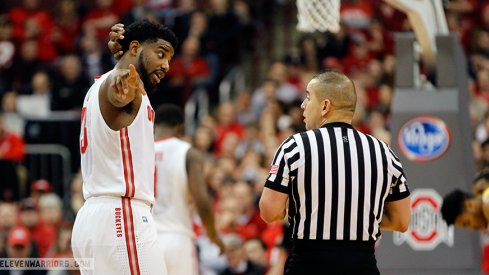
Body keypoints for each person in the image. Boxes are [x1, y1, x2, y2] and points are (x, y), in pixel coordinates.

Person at [259, 71, 411, 275]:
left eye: (308, 97)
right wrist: (358, 218)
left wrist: (308, 211)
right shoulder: (384, 153)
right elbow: (401, 222)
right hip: (362, 266)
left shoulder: (295, 146)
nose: (303, 105)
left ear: (325, 106)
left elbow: (269, 211)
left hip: (309, 265)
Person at [71, 19, 178, 275]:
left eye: (169, 59)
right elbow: (118, 87)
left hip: (95, 219)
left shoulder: (98, 85)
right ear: (134, 47)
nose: (166, 65)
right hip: (122, 217)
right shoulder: (120, 83)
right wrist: (122, 76)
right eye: (161, 54)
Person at [152, 104, 224, 275]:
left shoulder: (140, 151)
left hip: (145, 239)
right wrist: (213, 235)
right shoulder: (189, 153)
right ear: (180, 126)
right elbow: (202, 201)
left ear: (155, 126)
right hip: (177, 238)